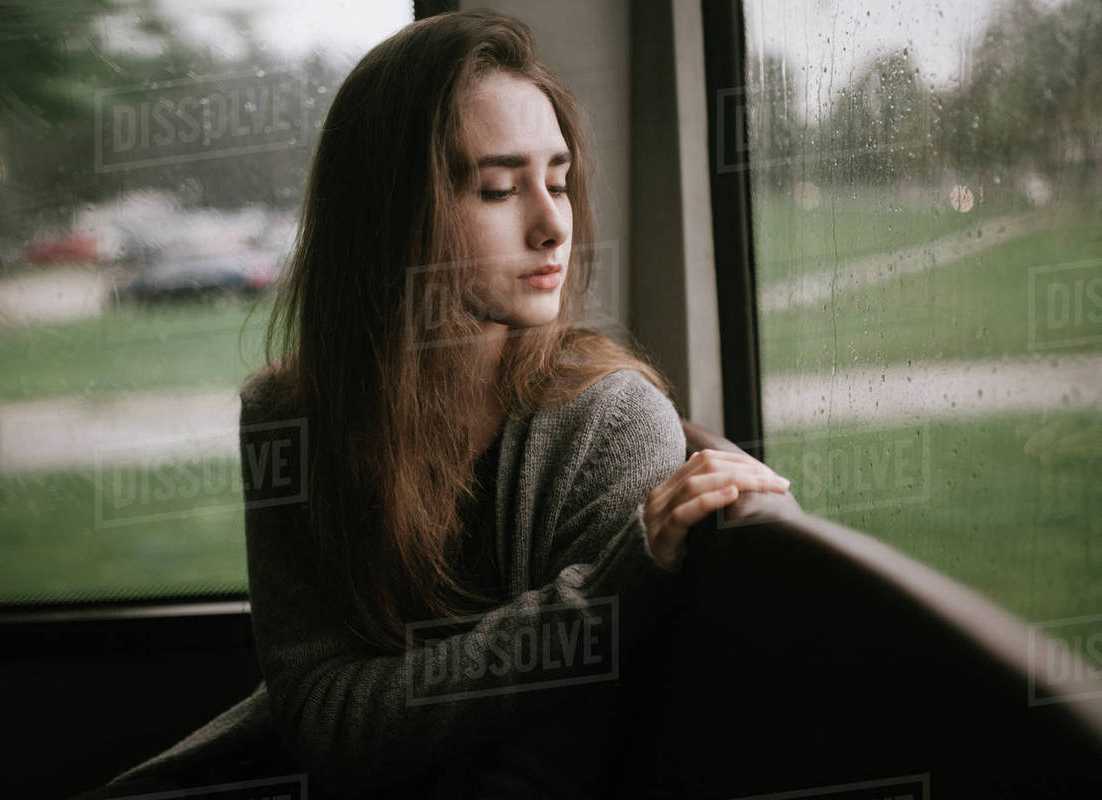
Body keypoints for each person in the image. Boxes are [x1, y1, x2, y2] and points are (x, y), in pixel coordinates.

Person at [94, 9, 790, 799]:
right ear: (391, 216)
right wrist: (589, 608)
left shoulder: (612, 424)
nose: (553, 224)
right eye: (498, 189)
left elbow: (552, 767)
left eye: (557, 181)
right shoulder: (290, 415)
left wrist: (593, 610)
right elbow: (326, 718)